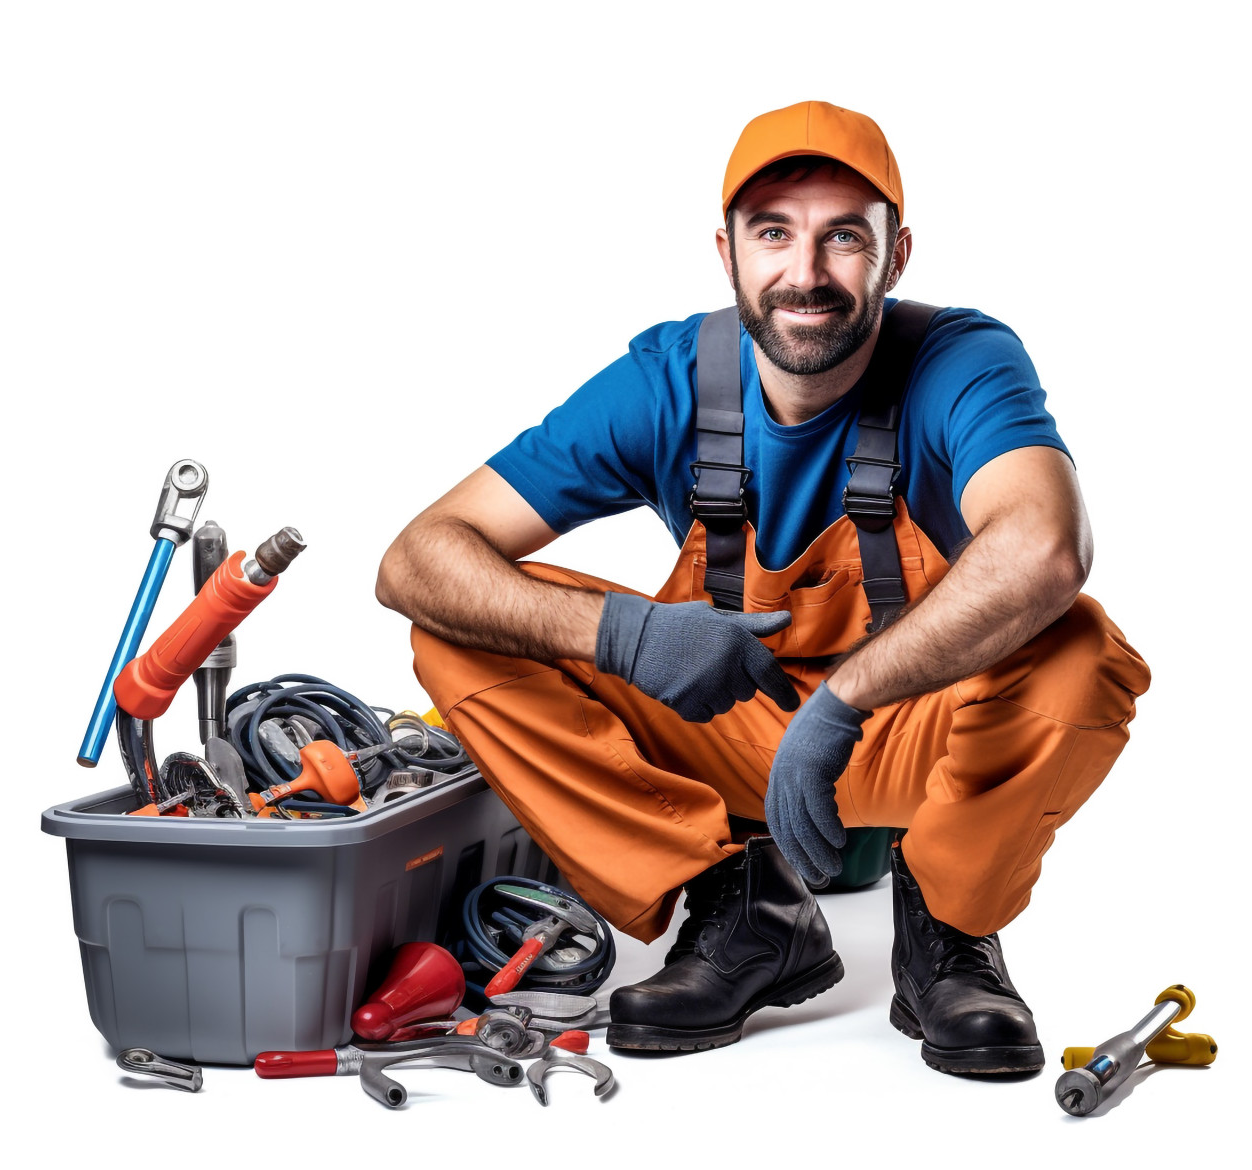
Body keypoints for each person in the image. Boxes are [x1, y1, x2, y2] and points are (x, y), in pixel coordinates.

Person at [375, 100, 1150, 1075]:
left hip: (918, 731)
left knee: (1080, 654)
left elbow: (1043, 547)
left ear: (895, 254)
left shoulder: (960, 358)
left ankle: (947, 932)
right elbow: (417, 559)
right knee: (457, 628)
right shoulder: (665, 378)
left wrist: (843, 702)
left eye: (842, 239)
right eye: (773, 234)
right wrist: (628, 635)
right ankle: (744, 909)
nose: (805, 273)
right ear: (727, 251)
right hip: (726, 727)